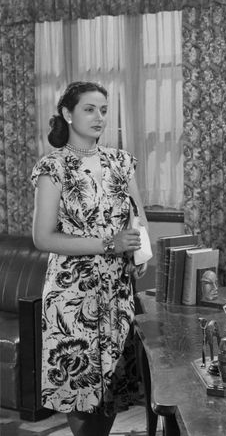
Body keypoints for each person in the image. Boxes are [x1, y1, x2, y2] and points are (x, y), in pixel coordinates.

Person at [31, 81, 149, 436]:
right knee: (80, 387)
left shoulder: (121, 162)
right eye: (89, 109)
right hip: (72, 293)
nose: (99, 117)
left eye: (103, 110)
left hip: (116, 290)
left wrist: (139, 252)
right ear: (68, 114)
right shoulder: (53, 167)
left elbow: (139, 220)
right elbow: (42, 238)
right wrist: (109, 244)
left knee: (112, 387)